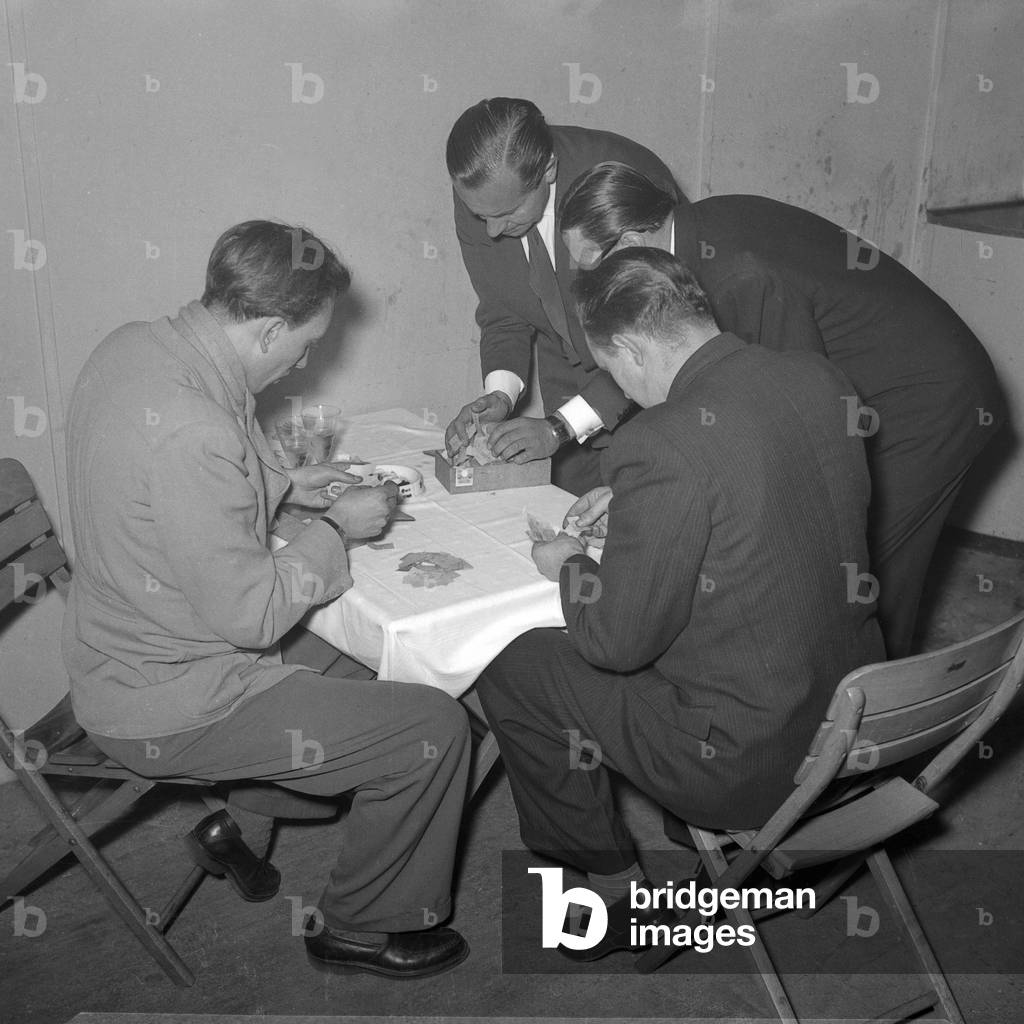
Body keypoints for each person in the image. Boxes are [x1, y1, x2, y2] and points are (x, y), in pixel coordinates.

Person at [62, 220, 471, 978]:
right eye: (305, 343)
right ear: (271, 326)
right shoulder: (196, 429)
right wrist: (337, 533)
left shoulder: (137, 348)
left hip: (125, 639)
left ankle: (241, 830)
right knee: (433, 729)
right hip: (173, 698)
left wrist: (281, 487)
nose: (303, 362)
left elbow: (170, 495)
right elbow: (251, 615)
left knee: (369, 649)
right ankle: (360, 926)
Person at [474, 248, 886, 959]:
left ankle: (603, 889)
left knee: (518, 664)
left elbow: (615, 643)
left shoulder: (659, 441)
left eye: (613, 368)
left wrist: (568, 560)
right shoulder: (820, 380)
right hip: (861, 723)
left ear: (630, 348)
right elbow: (777, 505)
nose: (621, 385)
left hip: (750, 756)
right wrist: (641, 508)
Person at [558, 161, 1006, 658]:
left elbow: (786, 423)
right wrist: (640, 490)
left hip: (928, 397)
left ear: (628, 243)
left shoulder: (737, 275)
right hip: (885, 379)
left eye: (589, 266)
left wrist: (651, 491)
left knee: (860, 567)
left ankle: (872, 713)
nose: (588, 281)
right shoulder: (695, 236)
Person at [444, 97, 679, 495]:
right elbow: (504, 310)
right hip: (565, 372)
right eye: (482, 217)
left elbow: (654, 343)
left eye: (507, 214)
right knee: (569, 517)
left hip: (653, 384)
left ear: (548, 168)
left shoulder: (622, 180)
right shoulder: (484, 195)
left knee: (649, 510)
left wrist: (561, 427)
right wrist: (500, 395)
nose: (492, 232)